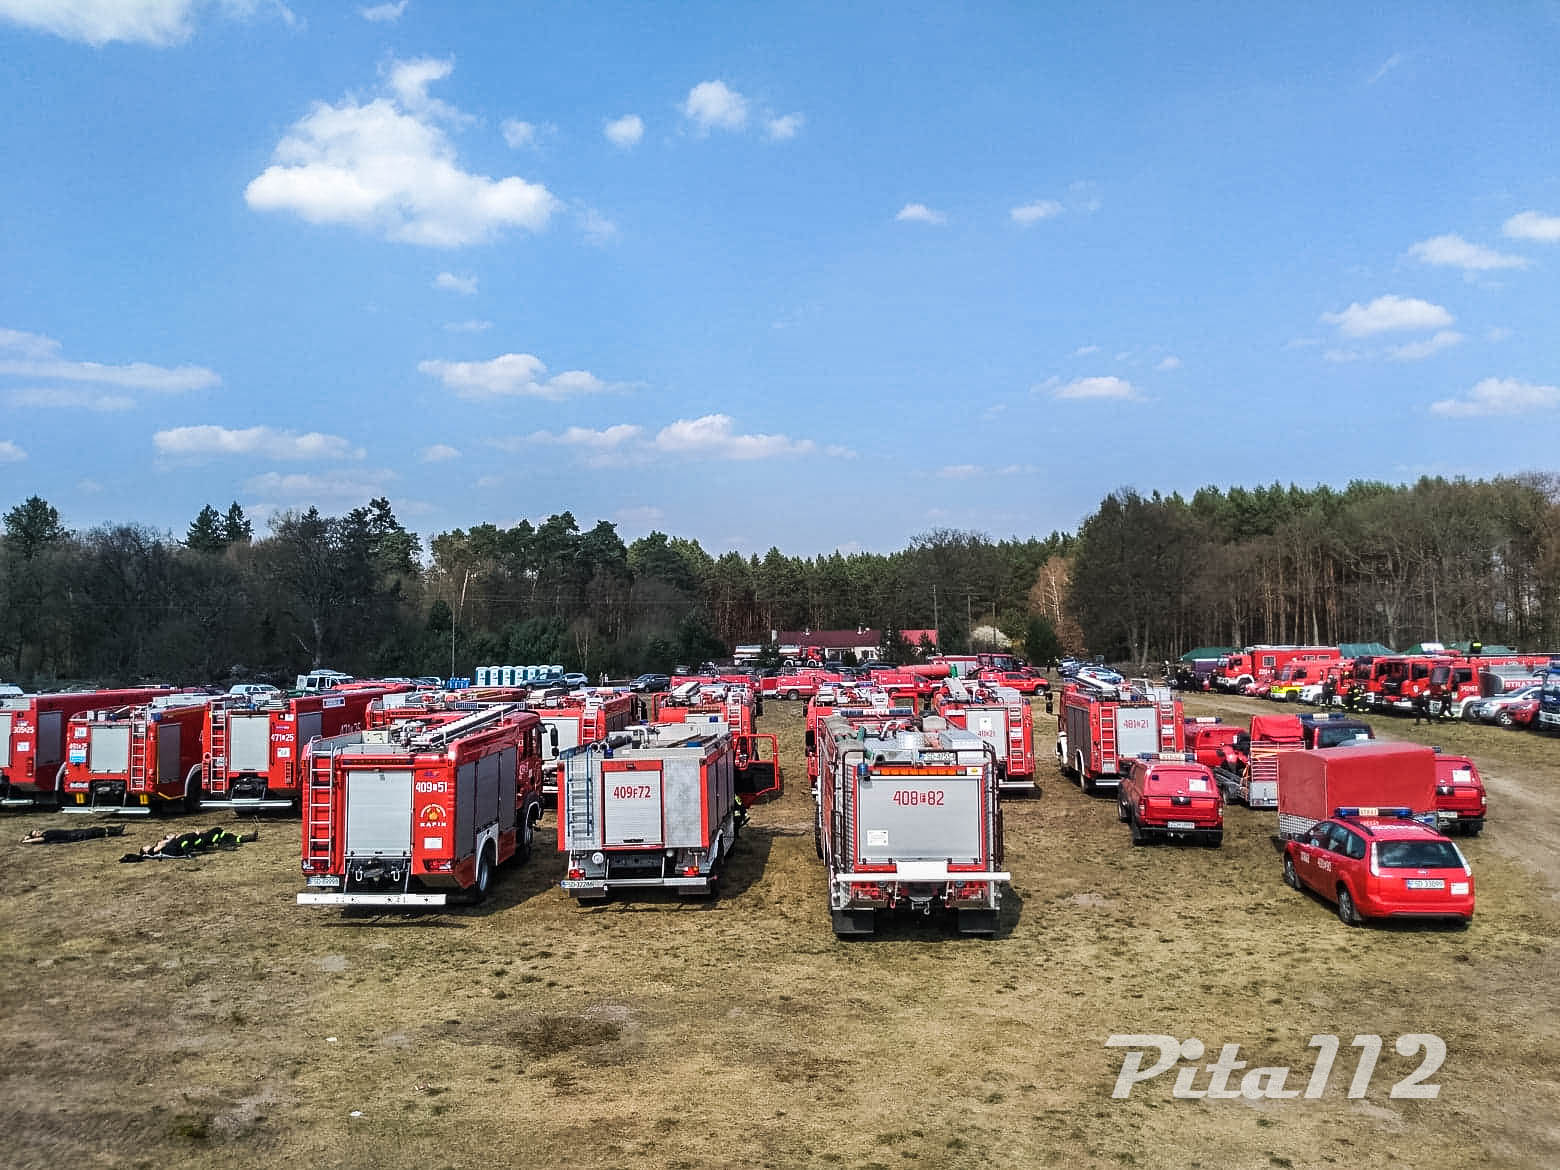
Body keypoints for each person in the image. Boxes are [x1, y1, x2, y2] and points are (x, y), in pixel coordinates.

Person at [21, 824, 126, 845]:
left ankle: (115, 831)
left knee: (95, 831)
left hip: (72, 832)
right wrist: (26, 840)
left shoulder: (45, 833)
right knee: (94, 831)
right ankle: (116, 831)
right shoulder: (44, 838)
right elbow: (35, 841)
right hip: (72, 836)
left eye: (37, 831)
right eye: (36, 833)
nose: (38, 832)